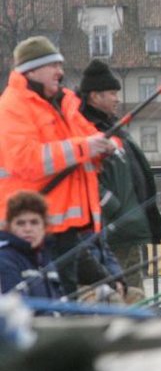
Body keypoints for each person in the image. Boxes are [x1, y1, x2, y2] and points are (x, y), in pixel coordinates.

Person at [0, 37, 119, 294]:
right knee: (45, 298)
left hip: (64, 226)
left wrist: (104, 148)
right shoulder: (13, 106)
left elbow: (88, 137)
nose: (60, 72)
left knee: (63, 295)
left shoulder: (64, 103)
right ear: (32, 70)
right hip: (33, 225)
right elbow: (26, 159)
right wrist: (86, 147)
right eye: (53, 65)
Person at [78, 59, 161, 303]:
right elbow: (85, 176)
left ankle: (137, 332)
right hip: (114, 227)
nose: (117, 98)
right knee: (121, 290)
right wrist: (111, 205)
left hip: (127, 224)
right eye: (112, 93)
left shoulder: (110, 127)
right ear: (94, 96)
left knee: (133, 288)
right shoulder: (87, 129)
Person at [0, 191, 62, 300]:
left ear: (45, 227)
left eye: (34, 222)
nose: (28, 229)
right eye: (20, 223)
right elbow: (16, 307)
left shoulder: (46, 260)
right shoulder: (4, 259)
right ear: (9, 228)